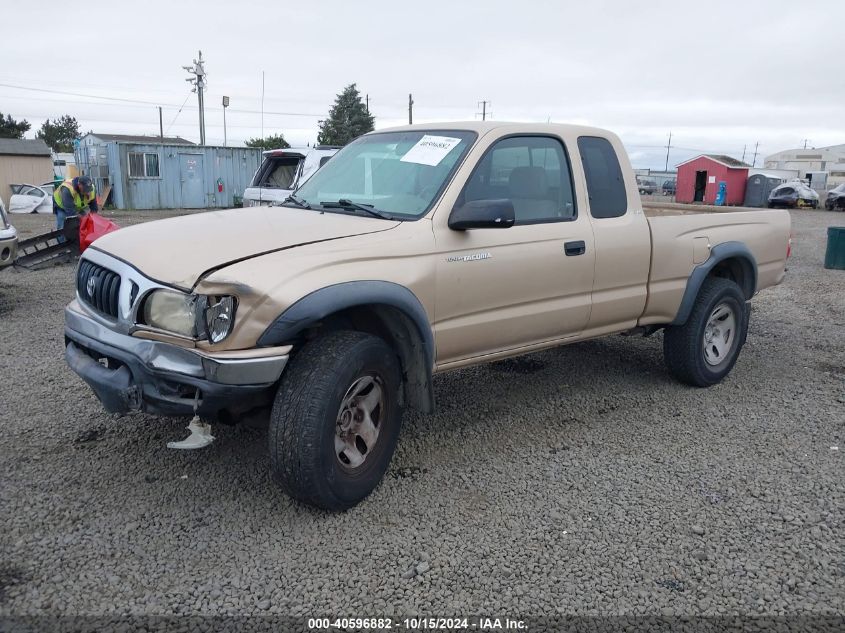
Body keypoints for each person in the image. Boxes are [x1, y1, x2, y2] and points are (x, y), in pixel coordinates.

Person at [53, 176, 98, 240]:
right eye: (85, 189)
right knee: (62, 224)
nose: (87, 192)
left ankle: (78, 240)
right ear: (79, 185)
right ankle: (62, 244)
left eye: (88, 190)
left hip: (77, 206)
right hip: (62, 206)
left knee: (84, 222)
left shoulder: (91, 188)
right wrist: (80, 218)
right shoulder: (67, 189)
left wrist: (93, 217)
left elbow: (93, 205)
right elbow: (70, 212)